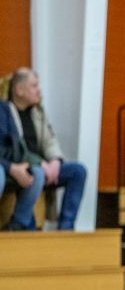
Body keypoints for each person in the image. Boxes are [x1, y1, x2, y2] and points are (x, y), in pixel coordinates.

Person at [6, 68, 86, 230]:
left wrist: (55, 161)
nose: (39, 90)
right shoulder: (5, 113)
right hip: (24, 168)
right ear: (19, 90)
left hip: (44, 168)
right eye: (34, 86)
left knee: (78, 171)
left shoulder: (38, 112)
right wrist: (41, 164)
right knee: (36, 173)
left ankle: (66, 228)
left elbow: (50, 140)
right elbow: (16, 149)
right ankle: (24, 225)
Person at [0, 101, 45, 230]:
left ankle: (17, 226)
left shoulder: (5, 108)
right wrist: (10, 167)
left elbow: (19, 144)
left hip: (10, 163)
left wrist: (33, 163)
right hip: (4, 167)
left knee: (37, 173)